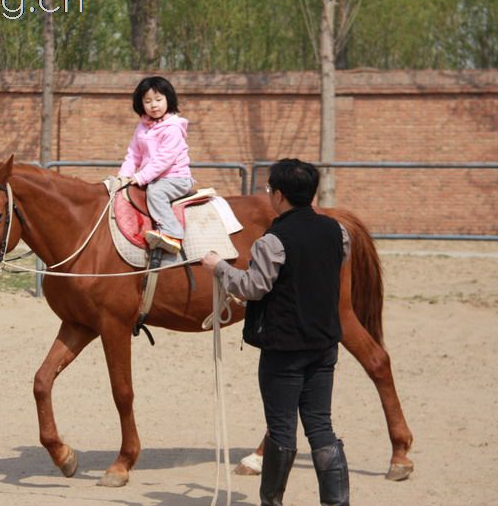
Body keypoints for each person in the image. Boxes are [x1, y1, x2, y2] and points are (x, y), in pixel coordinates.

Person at [202, 158, 351, 506]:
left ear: (280, 195)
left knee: (282, 431)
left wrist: (219, 267)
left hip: (284, 350)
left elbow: (253, 287)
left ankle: (272, 502)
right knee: (321, 428)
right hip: (324, 344)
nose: (269, 195)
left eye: (270, 189)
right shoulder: (338, 231)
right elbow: (334, 264)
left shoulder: (273, 240)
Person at [118, 76, 194, 254]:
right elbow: (133, 155)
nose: (154, 105)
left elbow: (163, 160)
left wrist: (140, 177)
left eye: (159, 100)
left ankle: (172, 233)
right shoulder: (142, 128)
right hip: (152, 179)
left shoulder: (173, 128)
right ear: (141, 104)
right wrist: (123, 176)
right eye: (148, 101)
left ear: (169, 99)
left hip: (175, 178)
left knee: (156, 192)